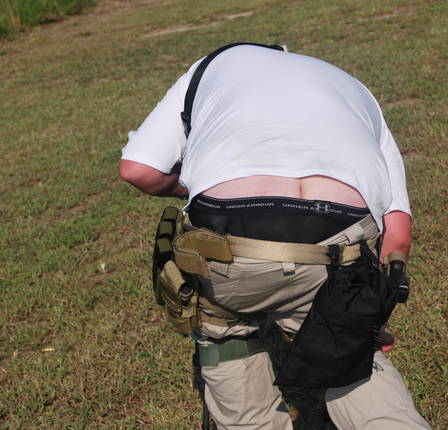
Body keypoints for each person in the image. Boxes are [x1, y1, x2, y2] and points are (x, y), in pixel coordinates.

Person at [119, 43, 431, 430]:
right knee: (346, 347)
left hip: (228, 243)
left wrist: (194, 187)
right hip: (339, 242)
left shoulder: (210, 66)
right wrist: (363, 315)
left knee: (223, 331)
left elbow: (137, 170)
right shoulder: (353, 86)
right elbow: (397, 231)